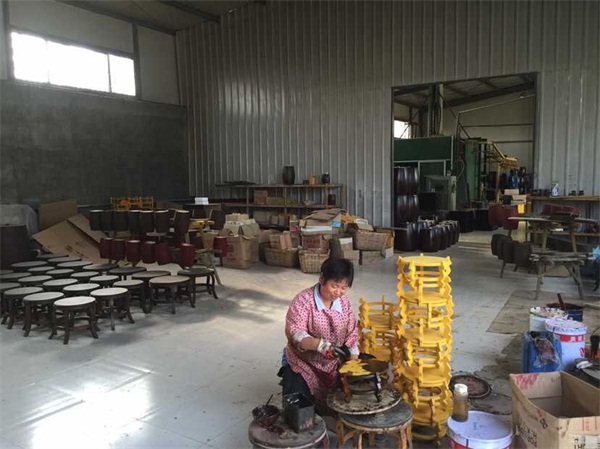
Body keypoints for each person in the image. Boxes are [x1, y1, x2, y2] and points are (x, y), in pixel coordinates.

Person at [280, 258, 359, 411]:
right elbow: (295, 333)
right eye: (334, 286)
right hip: (305, 362)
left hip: (335, 361)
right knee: (297, 403)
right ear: (322, 279)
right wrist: (319, 345)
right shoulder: (303, 301)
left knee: (359, 384)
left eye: (344, 288)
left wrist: (353, 360)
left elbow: (352, 333)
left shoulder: (344, 302)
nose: (338, 292)